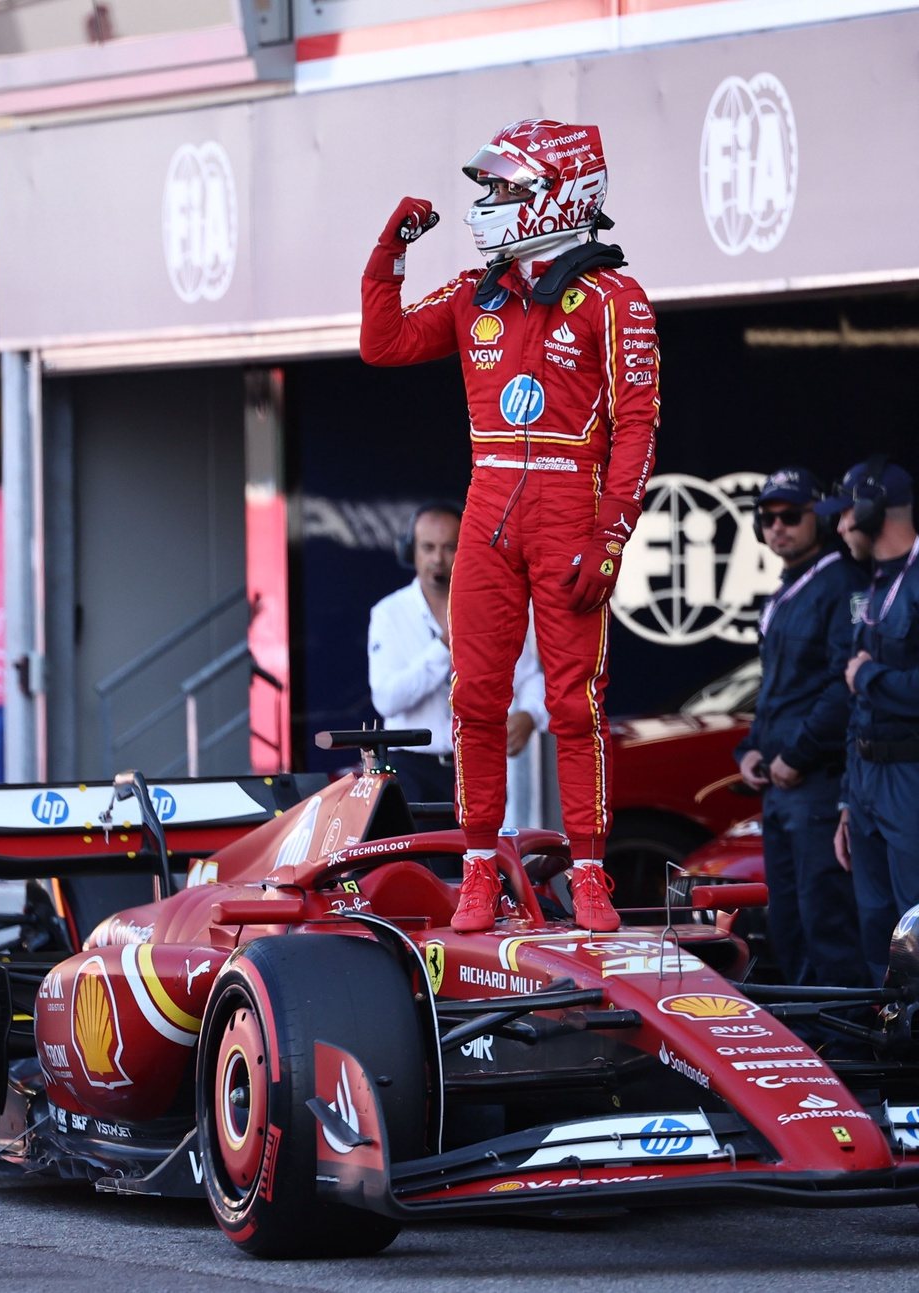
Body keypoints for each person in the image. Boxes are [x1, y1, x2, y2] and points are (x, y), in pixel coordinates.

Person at [361, 118, 659, 933]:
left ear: (556, 193)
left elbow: (638, 424)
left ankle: (590, 873)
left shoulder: (614, 299)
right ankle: (479, 870)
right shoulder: (472, 293)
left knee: (574, 702)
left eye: (501, 188)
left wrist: (610, 532)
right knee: (476, 700)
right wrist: (389, 254)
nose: (486, 203)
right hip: (487, 505)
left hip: (569, 508)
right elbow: (381, 343)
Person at [817, 458, 919, 979]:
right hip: (867, 785)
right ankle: (890, 1052)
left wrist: (868, 675)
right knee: (876, 933)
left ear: (870, 512)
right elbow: (857, 707)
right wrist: (848, 799)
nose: (839, 525)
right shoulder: (873, 585)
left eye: (846, 514)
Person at [734, 468, 869, 987]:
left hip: (818, 783)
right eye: (767, 519)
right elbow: (778, 690)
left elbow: (844, 686)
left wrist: (797, 754)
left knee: (826, 925)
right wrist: (749, 749)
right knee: (788, 926)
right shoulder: (789, 588)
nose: (777, 528)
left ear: (822, 517)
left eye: (791, 516)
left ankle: (847, 1054)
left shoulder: (842, 582)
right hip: (781, 788)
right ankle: (809, 1050)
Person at [368, 502, 547, 822]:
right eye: (428, 547)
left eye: (450, 547)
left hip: (478, 767)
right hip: (411, 769)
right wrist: (444, 646)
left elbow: (531, 677)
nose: (438, 559)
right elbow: (387, 700)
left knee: (484, 865)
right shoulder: (388, 613)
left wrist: (529, 714)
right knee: (422, 871)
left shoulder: (491, 610)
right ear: (411, 552)